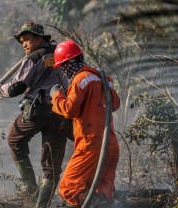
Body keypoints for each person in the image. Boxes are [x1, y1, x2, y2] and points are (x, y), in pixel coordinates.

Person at [0, 22, 72, 208]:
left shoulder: (34, 58)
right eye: (22, 41)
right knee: (51, 166)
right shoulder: (60, 54)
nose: (24, 44)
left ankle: (30, 188)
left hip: (37, 110)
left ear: (40, 39)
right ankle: (42, 205)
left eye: (28, 39)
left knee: (15, 139)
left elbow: (16, 87)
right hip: (61, 110)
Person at [50, 40, 120, 207]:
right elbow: (115, 104)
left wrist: (56, 95)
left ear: (70, 62)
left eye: (63, 66)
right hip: (110, 144)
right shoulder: (103, 78)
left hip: (91, 144)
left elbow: (69, 110)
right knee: (102, 191)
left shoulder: (81, 79)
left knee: (69, 187)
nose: (64, 70)